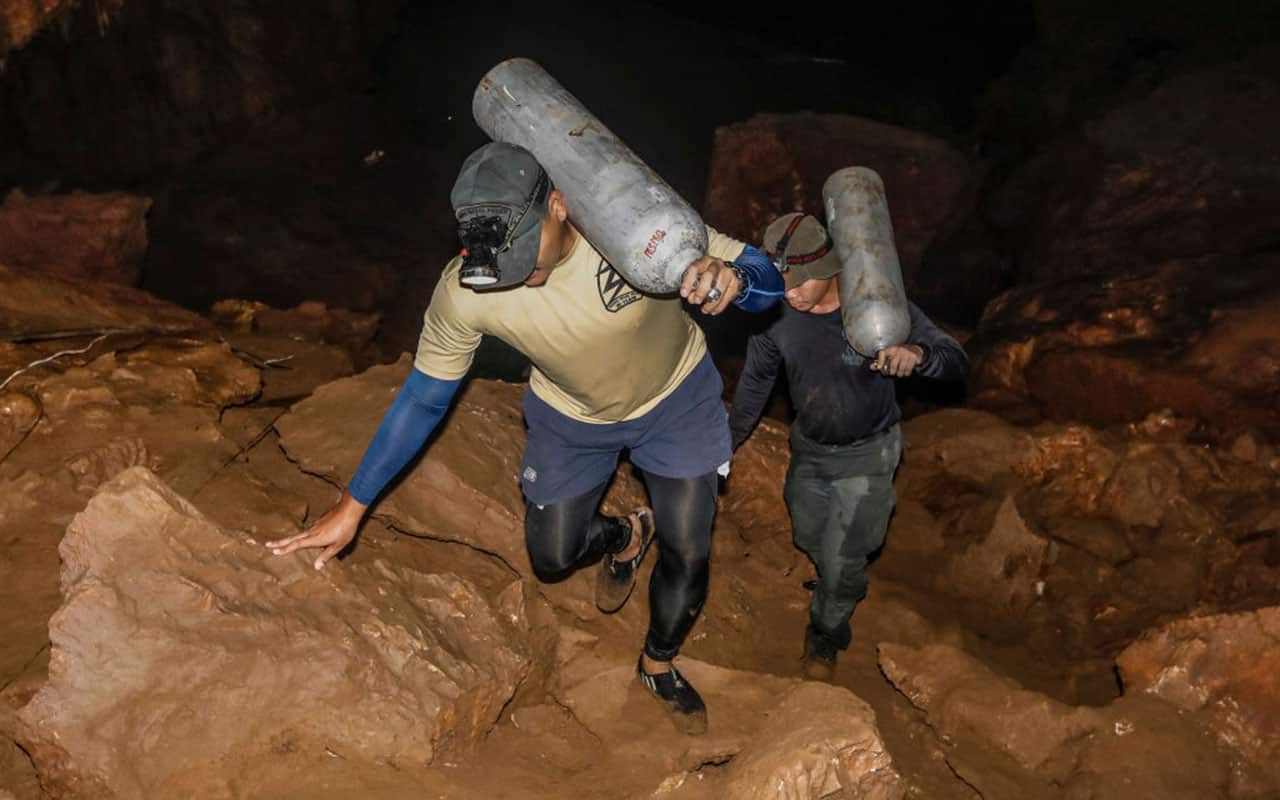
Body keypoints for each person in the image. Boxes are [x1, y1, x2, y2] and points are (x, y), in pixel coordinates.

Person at [265, 142, 783, 734]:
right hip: (571, 415)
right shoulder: (468, 287)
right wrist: (352, 505)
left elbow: (770, 284)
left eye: (525, 256)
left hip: (675, 400)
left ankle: (656, 662)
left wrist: (735, 278)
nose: (518, 276)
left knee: (689, 552)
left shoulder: (635, 223)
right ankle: (625, 532)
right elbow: (424, 398)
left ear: (559, 206)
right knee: (552, 555)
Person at [728, 212, 968, 680]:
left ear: (827, 270)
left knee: (843, 561)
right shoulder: (776, 315)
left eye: (797, 282)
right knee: (809, 536)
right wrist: (727, 441)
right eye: (780, 282)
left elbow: (955, 360)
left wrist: (917, 356)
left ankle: (825, 633)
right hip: (810, 448)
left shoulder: (878, 307)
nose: (789, 292)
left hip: (868, 455)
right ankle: (835, 578)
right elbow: (756, 381)